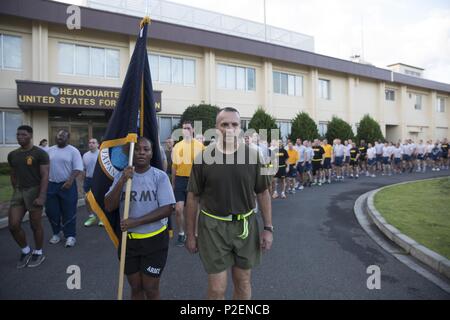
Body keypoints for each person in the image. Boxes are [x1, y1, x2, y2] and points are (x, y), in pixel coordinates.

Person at [185, 107, 273, 300]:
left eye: (234, 124)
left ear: (241, 128)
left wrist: (268, 228)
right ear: (216, 128)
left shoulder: (255, 156)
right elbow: (192, 198)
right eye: (224, 124)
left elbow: (263, 192)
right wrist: (190, 234)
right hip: (212, 227)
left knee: (242, 282)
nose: (230, 128)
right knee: (217, 289)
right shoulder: (202, 158)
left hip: (245, 226)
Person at [105, 137, 175, 300]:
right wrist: (122, 180)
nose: (141, 152)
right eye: (137, 149)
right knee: (136, 287)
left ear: (152, 154)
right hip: (129, 241)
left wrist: (136, 221)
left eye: (146, 149)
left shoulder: (160, 176)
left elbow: (167, 209)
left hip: (154, 240)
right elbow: (109, 206)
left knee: (150, 288)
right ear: (131, 153)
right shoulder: (121, 176)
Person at [8, 125, 49, 268]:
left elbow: (45, 176)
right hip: (19, 192)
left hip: (35, 191)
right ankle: (25, 250)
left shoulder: (40, 153)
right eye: (18, 135)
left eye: (23, 135)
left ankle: (38, 252)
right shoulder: (13, 154)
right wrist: (16, 190)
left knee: (35, 224)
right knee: (13, 225)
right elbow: (13, 174)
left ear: (30, 136)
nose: (20, 137)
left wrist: (42, 196)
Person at [46, 129, 83, 248]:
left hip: (67, 185)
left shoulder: (73, 151)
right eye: (58, 135)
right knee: (52, 211)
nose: (60, 137)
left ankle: (70, 236)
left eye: (63, 136)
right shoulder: (49, 150)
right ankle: (56, 233)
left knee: (69, 211)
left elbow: (77, 168)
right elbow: (45, 167)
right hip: (51, 185)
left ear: (68, 138)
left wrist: (70, 181)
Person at [171, 121, 204, 247]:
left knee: (195, 209)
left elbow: (204, 165)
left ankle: (195, 234)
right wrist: (173, 183)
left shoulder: (200, 146)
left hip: (195, 179)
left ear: (193, 130)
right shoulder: (177, 146)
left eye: (188, 128)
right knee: (179, 209)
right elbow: (174, 167)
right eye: (183, 128)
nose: (185, 130)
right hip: (180, 179)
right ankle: (181, 233)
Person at [83, 138, 102, 227]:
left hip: (98, 180)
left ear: (98, 145)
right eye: (90, 142)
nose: (91, 144)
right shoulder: (85, 155)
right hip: (88, 180)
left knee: (99, 199)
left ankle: (102, 218)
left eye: (93, 142)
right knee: (87, 199)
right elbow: (84, 169)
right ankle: (91, 216)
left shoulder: (101, 154)